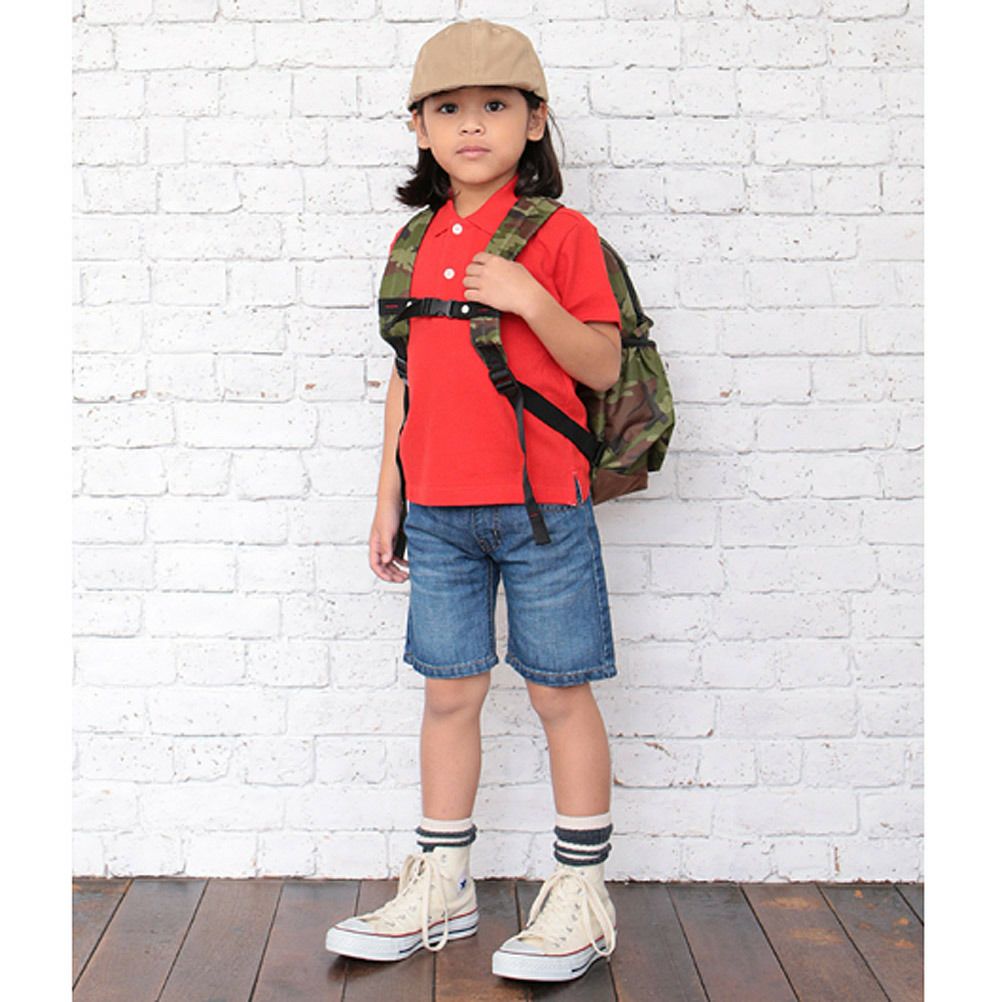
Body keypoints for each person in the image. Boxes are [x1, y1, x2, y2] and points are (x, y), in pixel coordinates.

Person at [326, 18, 621, 983]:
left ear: (534, 121)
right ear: (419, 129)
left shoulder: (563, 235)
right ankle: (444, 884)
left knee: (558, 692)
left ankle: (580, 892)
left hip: (543, 507)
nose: (471, 125)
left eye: (495, 105)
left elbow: (602, 363)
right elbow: (407, 374)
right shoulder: (415, 239)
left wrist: (532, 300)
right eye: (448, 109)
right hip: (441, 512)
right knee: (449, 692)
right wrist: (388, 495)